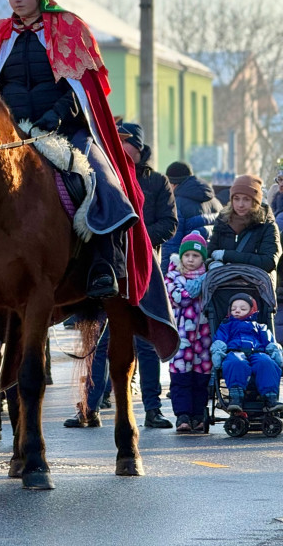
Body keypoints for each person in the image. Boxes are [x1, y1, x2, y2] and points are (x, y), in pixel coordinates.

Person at [0, 0, 150, 301]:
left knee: (103, 181)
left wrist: (55, 117)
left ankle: (106, 265)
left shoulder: (69, 28)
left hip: (62, 129)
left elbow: (84, 88)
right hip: (10, 133)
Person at [118, 121, 176, 428]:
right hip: (113, 265)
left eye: (126, 142)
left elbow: (169, 222)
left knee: (147, 338)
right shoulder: (107, 173)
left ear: (138, 149)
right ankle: (90, 406)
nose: (121, 146)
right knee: (103, 341)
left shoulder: (157, 181)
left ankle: (153, 408)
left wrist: (139, 239)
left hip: (145, 266)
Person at [165, 232, 213, 432]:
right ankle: (182, 416)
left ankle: (198, 414)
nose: (191, 260)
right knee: (181, 377)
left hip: (203, 338)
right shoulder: (173, 275)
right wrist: (197, 285)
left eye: (196, 256)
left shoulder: (209, 278)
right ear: (181, 257)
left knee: (201, 379)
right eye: (187, 256)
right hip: (182, 337)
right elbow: (179, 297)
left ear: (202, 258)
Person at [211, 293, 283, 413]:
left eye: (243, 308)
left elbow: (269, 342)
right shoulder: (226, 326)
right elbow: (219, 341)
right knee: (235, 362)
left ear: (252, 310)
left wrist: (275, 353)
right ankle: (236, 396)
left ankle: (270, 397)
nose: (237, 311)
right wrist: (218, 353)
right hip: (234, 351)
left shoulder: (260, 327)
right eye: (234, 309)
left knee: (266, 362)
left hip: (258, 352)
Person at [207, 175, 281, 284]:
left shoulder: (267, 225)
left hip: (254, 286)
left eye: (246, 199)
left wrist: (226, 255)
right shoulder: (223, 220)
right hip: (223, 285)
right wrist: (212, 264)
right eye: (236, 199)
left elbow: (268, 262)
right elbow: (210, 252)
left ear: (255, 201)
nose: (240, 205)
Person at [161, 161, 221, 276]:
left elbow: (172, 245)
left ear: (173, 184)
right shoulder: (214, 201)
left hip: (186, 273)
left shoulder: (176, 204)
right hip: (210, 269)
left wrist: (166, 275)